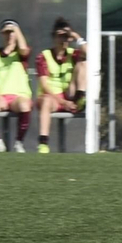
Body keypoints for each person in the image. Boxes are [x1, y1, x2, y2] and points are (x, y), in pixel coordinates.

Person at [0, 19, 33, 153]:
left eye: (12, 32)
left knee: (24, 106)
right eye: (7, 32)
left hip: (18, 96)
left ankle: (18, 143)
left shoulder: (21, 55)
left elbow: (24, 49)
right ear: (1, 34)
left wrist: (16, 28)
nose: (10, 35)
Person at [36, 17, 87, 154]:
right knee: (46, 101)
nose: (63, 39)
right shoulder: (43, 56)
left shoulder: (73, 54)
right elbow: (44, 85)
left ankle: (79, 99)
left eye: (66, 36)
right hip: (52, 97)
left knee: (84, 63)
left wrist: (75, 36)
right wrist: (63, 102)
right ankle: (43, 144)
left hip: (69, 95)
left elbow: (89, 53)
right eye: (60, 36)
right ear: (53, 36)